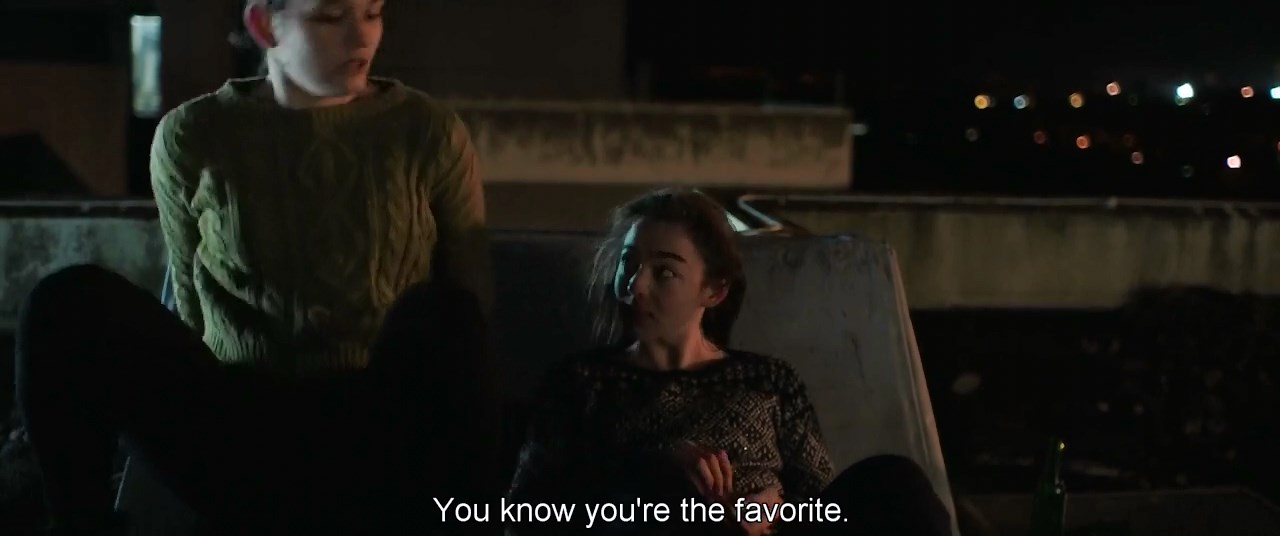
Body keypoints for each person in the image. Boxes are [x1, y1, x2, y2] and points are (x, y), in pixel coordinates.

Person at [13, 0, 499, 534]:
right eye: (330, 17)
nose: (362, 38)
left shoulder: (428, 132)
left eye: (373, 12)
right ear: (264, 25)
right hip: (242, 430)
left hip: (378, 432)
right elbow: (190, 310)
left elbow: (470, 315)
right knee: (68, 303)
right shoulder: (193, 134)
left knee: (445, 313)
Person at [505, 188, 952, 536]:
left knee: (897, 481)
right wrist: (655, 471)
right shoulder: (583, 382)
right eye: (629, 264)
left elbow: (821, 502)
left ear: (713, 290)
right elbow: (526, 513)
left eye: (664, 272)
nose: (635, 286)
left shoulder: (768, 379)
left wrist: (769, 511)